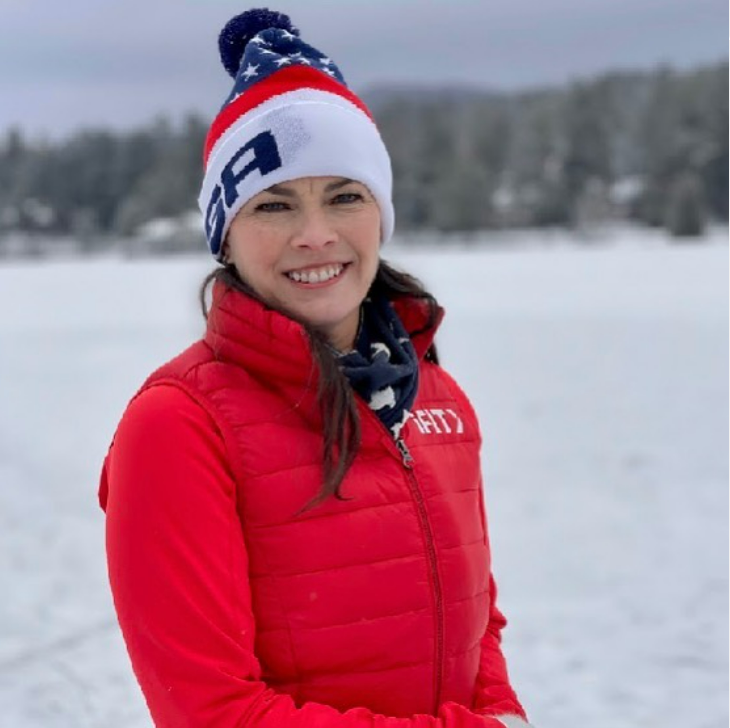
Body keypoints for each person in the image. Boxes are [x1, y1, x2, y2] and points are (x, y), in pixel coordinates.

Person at [99, 8, 532, 728]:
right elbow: (212, 712)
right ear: (226, 237)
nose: (316, 235)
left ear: (380, 214)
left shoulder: (434, 394)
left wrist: (501, 710)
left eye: (344, 196)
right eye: (273, 205)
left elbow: (477, 617)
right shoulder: (178, 423)